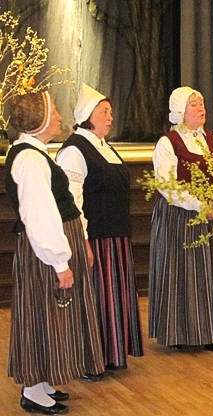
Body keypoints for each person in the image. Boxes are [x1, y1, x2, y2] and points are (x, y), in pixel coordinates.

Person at [5, 91, 105, 414]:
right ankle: (33, 391)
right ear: (39, 120)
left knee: (53, 315)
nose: (61, 116)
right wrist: (60, 262)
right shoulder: (30, 160)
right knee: (43, 312)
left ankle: (43, 382)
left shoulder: (35, 154)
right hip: (45, 252)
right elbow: (39, 215)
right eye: (55, 111)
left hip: (55, 244)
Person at [56, 83, 144, 373]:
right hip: (95, 238)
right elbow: (72, 200)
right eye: (104, 111)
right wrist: (83, 241)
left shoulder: (104, 146)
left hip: (115, 236)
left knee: (112, 298)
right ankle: (89, 359)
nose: (110, 117)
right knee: (95, 297)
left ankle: (111, 353)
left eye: (110, 112)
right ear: (87, 115)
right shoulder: (74, 150)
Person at [149, 86, 213, 350]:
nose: (201, 109)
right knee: (181, 273)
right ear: (180, 111)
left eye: (202, 103)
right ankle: (178, 334)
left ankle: (207, 332)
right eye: (194, 105)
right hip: (179, 218)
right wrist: (198, 204)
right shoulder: (168, 143)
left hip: (211, 214)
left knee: (209, 272)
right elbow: (167, 184)